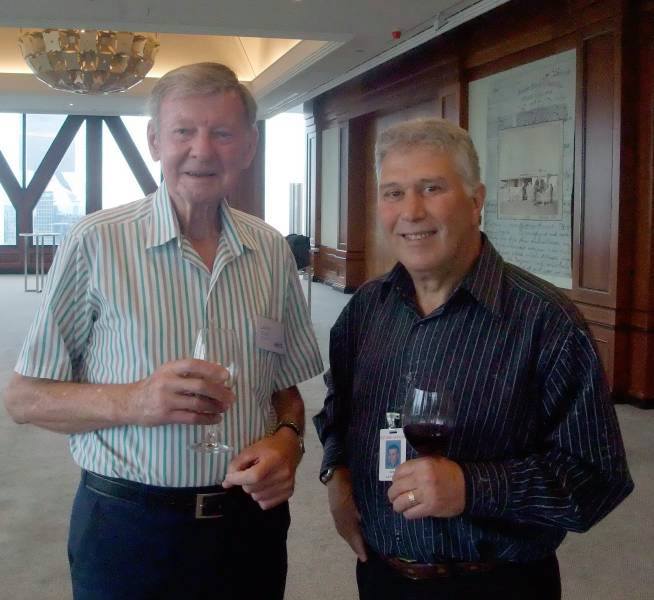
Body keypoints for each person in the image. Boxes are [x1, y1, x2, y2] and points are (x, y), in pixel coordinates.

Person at [4, 62, 323, 600]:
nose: (202, 150)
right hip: (128, 529)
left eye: (222, 133)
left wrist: (288, 441)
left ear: (248, 146)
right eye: (183, 131)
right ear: (155, 141)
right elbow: (23, 399)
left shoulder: (271, 250)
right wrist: (136, 401)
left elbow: (284, 388)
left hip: (249, 525)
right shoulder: (95, 243)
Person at [314, 118, 633, 600]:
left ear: (476, 201)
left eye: (432, 188)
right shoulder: (365, 309)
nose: (411, 211)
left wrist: (472, 486)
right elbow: (338, 408)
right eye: (394, 193)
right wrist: (336, 476)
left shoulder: (544, 321)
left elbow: (597, 479)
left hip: (495, 583)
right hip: (381, 577)